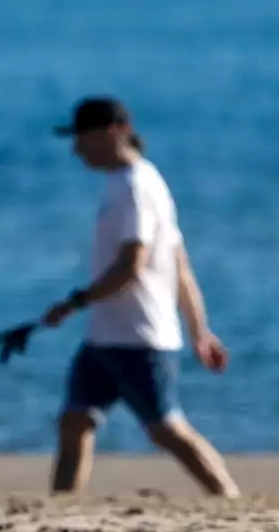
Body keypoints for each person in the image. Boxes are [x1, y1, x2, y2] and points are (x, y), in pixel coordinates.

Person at [41, 97, 238, 497]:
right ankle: (60, 508)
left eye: (82, 138)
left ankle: (227, 498)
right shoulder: (141, 181)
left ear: (111, 133)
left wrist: (75, 302)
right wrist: (200, 331)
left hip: (140, 336)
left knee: (167, 429)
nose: (76, 149)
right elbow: (180, 263)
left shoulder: (135, 186)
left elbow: (134, 264)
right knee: (75, 421)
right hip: (105, 336)